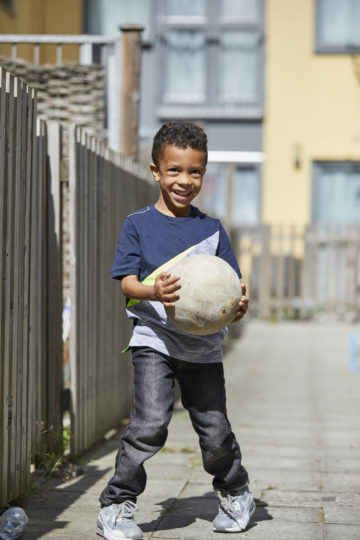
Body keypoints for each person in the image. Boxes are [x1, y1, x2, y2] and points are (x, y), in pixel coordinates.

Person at [96, 121, 255, 540]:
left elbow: (229, 288)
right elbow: (127, 283)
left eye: (195, 171)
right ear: (155, 171)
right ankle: (116, 505)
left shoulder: (211, 230)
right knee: (149, 423)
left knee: (214, 429)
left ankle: (236, 490)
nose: (185, 180)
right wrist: (154, 289)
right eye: (174, 170)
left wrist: (237, 306)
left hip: (203, 348)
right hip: (154, 339)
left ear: (204, 173)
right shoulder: (138, 225)